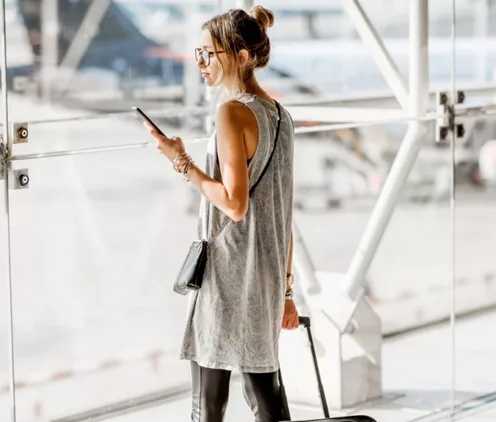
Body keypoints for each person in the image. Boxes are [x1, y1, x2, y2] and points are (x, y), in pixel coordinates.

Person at [143, 6, 299, 422]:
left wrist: (181, 162)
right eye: (198, 52)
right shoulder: (281, 116)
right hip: (264, 275)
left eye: (209, 54)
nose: (200, 62)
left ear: (242, 57)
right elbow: (282, 211)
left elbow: (234, 203)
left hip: (229, 275)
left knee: (209, 402)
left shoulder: (232, 112)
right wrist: (286, 291)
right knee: (265, 392)